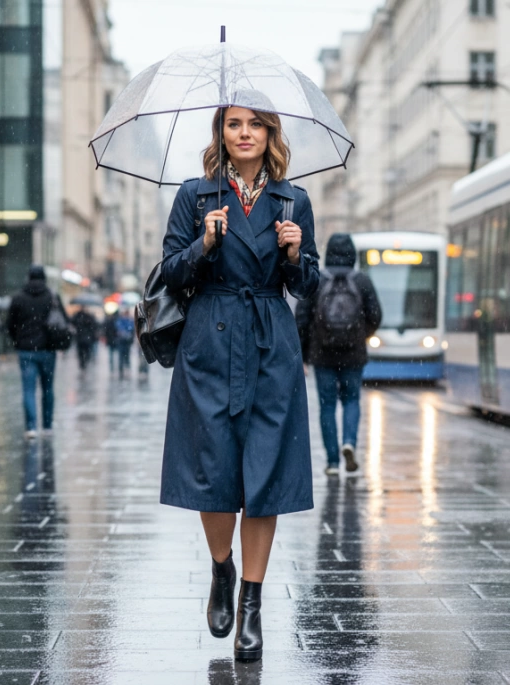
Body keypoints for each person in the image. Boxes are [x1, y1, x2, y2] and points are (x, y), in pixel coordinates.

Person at [158, 104, 319, 662]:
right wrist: (202, 245)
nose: (244, 134)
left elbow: (309, 286)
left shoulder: (293, 200)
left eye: (255, 125)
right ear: (221, 134)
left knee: (266, 472)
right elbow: (168, 272)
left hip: (270, 343)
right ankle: (221, 569)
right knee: (214, 468)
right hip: (209, 342)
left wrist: (296, 253)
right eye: (234, 124)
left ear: (270, 133)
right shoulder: (194, 195)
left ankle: (252, 600)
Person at [296, 233, 383, 476]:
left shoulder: (318, 281)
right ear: (352, 253)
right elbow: (376, 316)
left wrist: (303, 353)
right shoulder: (362, 280)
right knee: (351, 399)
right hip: (353, 354)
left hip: (322, 354)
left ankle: (333, 462)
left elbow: (301, 319)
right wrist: (360, 335)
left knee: (327, 406)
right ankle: (349, 443)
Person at [6, 266, 59, 438]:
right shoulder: (52, 296)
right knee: (48, 388)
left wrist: (17, 340)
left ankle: (31, 427)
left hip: (26, 349)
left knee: (28, 390)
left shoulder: (18, 298)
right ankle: (48, 425)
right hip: (48, 349)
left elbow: (9, 324)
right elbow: (62, 321)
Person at [71, 305, 100, 370]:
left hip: (83, 338)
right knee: (84, 352)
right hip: (84, 338)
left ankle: (83, 364)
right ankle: (83, 364)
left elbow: (93, 327)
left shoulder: (81, 317)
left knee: (83, 353)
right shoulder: (83, 316)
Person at [114, 307, 135, 379]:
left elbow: (131, 328)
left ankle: (126, 369)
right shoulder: (121, 320)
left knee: (126, 356)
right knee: (122, 356)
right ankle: (122, 370)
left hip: (126, 342)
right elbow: (119, 328)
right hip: (122, 341)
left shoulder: (128, 320)